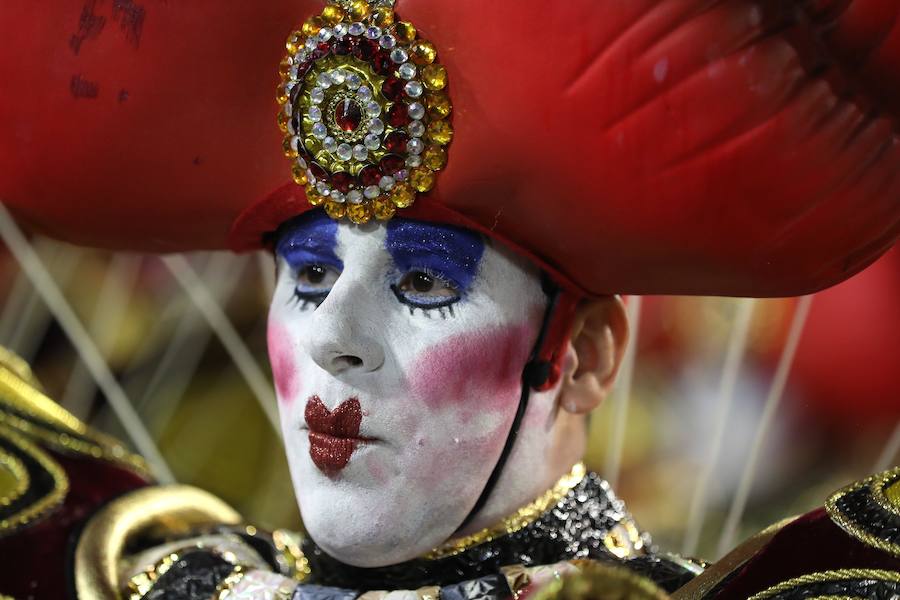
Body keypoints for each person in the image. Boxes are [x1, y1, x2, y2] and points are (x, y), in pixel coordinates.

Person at [1, 0, 900, 598]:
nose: (332, 338)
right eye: (309, 277)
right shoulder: (163, 574)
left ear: (583, 357)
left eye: (424, 283)